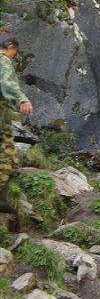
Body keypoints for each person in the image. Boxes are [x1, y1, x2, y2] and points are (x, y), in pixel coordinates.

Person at [0, 34, 33, 212]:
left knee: (9, 159)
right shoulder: (3, 61)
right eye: (15, 52)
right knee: (8, 159)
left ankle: (3, 201)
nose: (14, 56)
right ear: (10, 47)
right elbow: (7, 84)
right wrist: (22, 99)